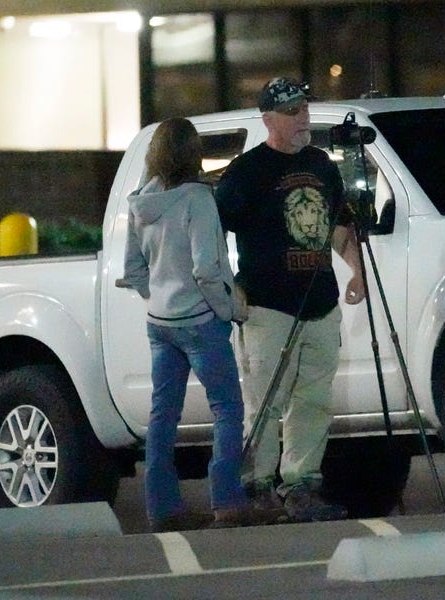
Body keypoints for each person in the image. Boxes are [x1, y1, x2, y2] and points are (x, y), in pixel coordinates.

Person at [214, 77, 366, 522]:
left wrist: (356, 268)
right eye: (292, 111)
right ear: (268, 120)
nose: (303, 118)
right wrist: (230, 285)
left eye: (304, 108)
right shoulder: (246, 172)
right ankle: (256, 487)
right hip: (267, 306)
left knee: (314, 399)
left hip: (321, 302)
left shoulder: (322, 164)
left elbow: (338, 226)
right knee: (265, 400)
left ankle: (302, 486)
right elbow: (210, 232)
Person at [123, 117, 278, 532]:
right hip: (200, 321)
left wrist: (159, 298)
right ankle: (226, 501)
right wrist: (226, 310)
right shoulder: (197, 199)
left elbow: (133, 269)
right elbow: (206, 269)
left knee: (162, 417)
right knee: (227, 409)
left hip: (160, 323)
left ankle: (162, 509)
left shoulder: (140, 202)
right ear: (194, 153)